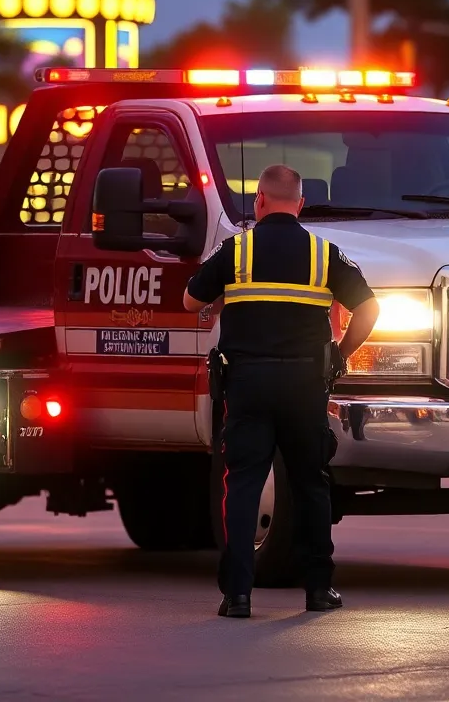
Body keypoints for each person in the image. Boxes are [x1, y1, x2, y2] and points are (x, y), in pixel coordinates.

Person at [183, 164, 379, 618]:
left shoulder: (237, 249)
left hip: (248, 384)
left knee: (244, 483)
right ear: (301, 204)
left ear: (259, 202)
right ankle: (317, 590)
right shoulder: (322, 252)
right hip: (305, 384)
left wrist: (224, 296)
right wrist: (341, 354)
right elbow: (369, 308)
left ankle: (237, 596)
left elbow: (191, 299)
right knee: (311, 484)